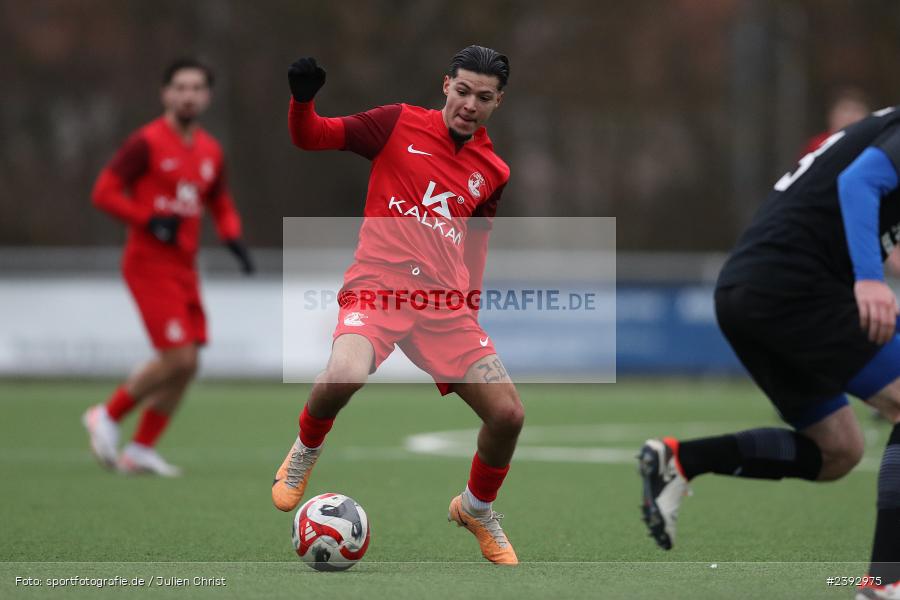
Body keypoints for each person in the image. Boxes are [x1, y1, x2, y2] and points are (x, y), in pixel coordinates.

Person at [273, 46, 523, 565]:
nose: (469, 105)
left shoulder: (493, 169)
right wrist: (302, 102)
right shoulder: (395, 124)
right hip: (379, 285)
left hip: (443, 308)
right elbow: (311, 136)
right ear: (445, 85)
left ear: (498, 101)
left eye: (483, 97)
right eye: (462, 91)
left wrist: (468, 309)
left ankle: (477, 508)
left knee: (508, 415)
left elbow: (476, 243)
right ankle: (305, 450)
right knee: (343, 375)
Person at [639, 105, 900, 599]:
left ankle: (681, 459)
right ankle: (886, 580)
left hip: (751, 291)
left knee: (838, 451)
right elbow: (859, 182)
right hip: (794, 290)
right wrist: (868, 279)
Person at [82, 58, 254, 477]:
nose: (188, 95)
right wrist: (147, 219)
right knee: (177, 357)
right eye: (180, 87)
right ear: (165, 93)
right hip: (147, 264)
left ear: (207, 96)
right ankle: (106, 414)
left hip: (184, 268)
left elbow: (219, 201)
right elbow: (103, 192)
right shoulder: (145, 143)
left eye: (196, 88)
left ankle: (140, 450)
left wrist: (232, 237)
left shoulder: (211, 151)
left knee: (190, 364)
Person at [802, 87, 871, 156]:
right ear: (831, 115)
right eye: (845, 109)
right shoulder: (818, 145)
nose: (851, 116)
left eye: (857, 110)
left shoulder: (872, 145)